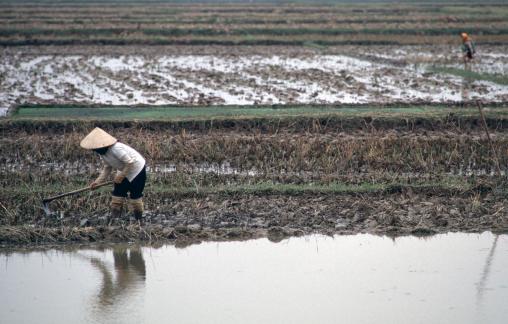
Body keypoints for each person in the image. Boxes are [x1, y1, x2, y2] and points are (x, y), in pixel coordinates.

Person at [80, 127, 146, 221]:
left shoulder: (116, 148)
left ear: (102, 145)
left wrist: (121, 176)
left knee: (135, 196)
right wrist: (97, 182)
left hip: (137, 169)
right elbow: (107, 168)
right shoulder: (102, 153)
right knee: (117, 194)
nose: (94, 150)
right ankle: (115, 219)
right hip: (124, 169)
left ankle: (139, 220)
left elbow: (130, 163)